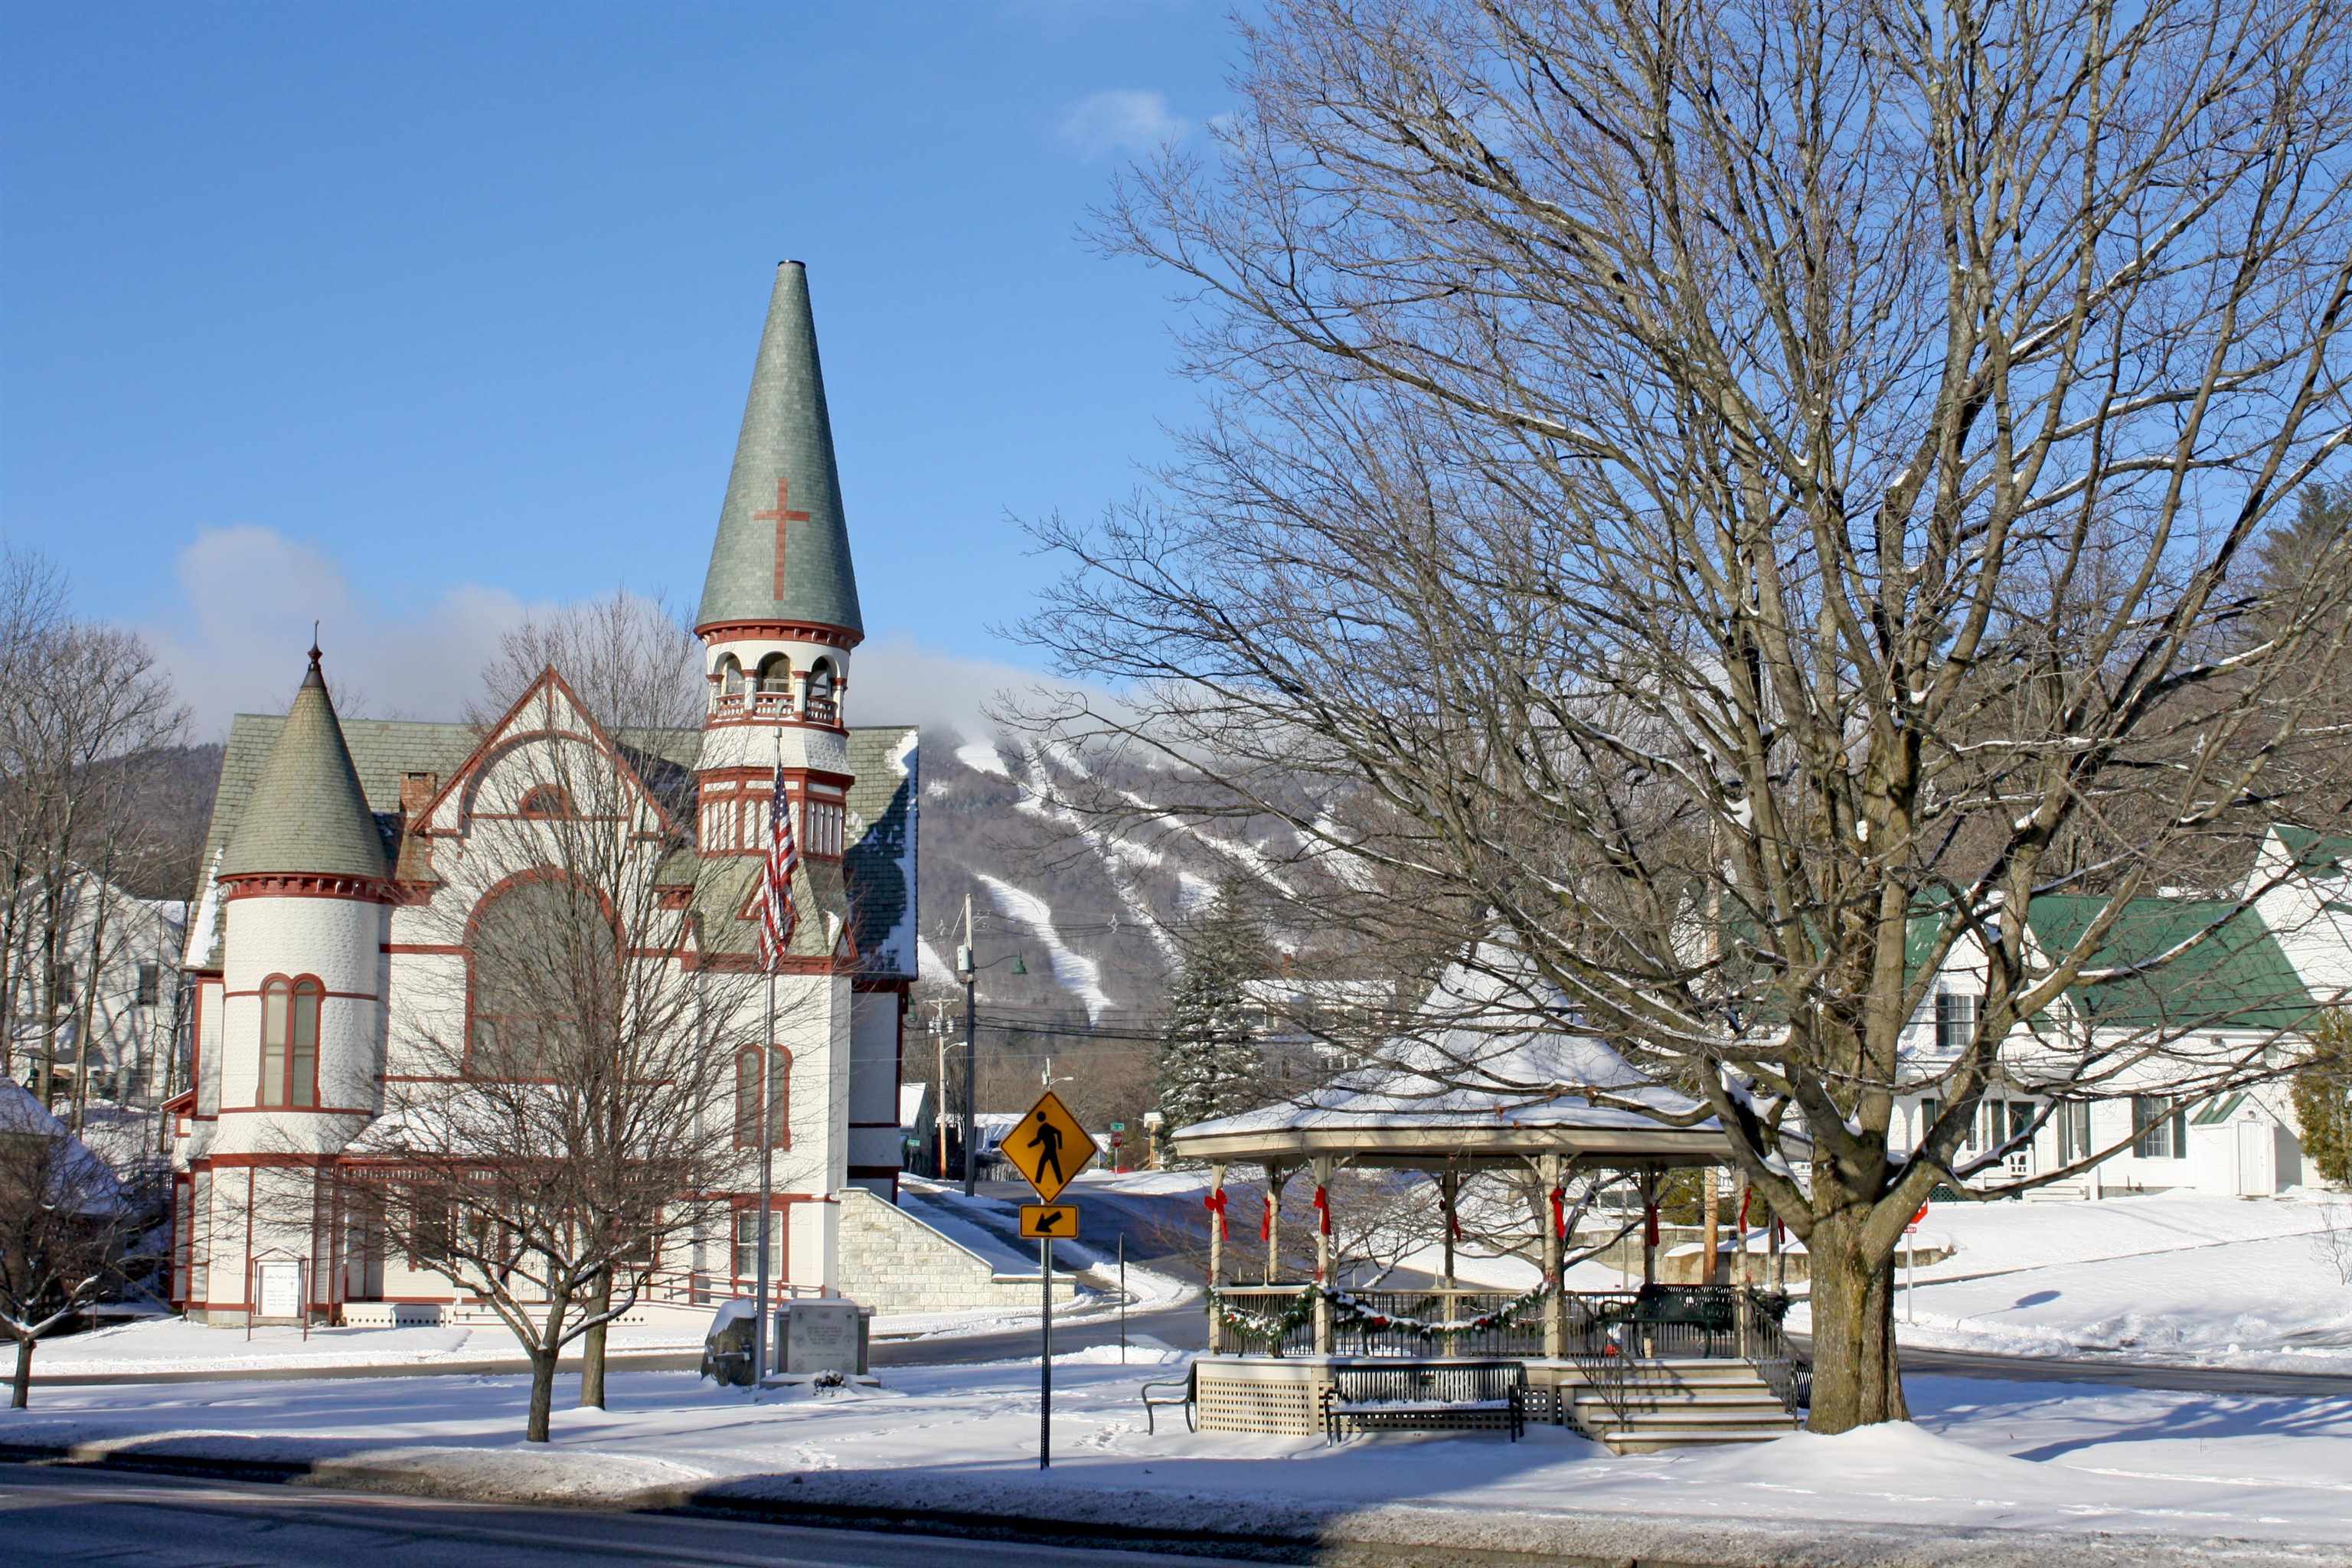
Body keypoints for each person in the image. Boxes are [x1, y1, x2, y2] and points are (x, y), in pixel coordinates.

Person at [1021, 1108, 1066, 1187]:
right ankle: (1058, 1181)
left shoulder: (1045, 1127)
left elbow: (1059, 1132)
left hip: (1050, 1149)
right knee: (1054, 1165)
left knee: (1045, 1164)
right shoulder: (1042, 1128)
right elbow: (1038, 1140)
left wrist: (1060, 1146)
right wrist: (1028, 1146)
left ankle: (1039, 1181)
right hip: (1050, 1149)